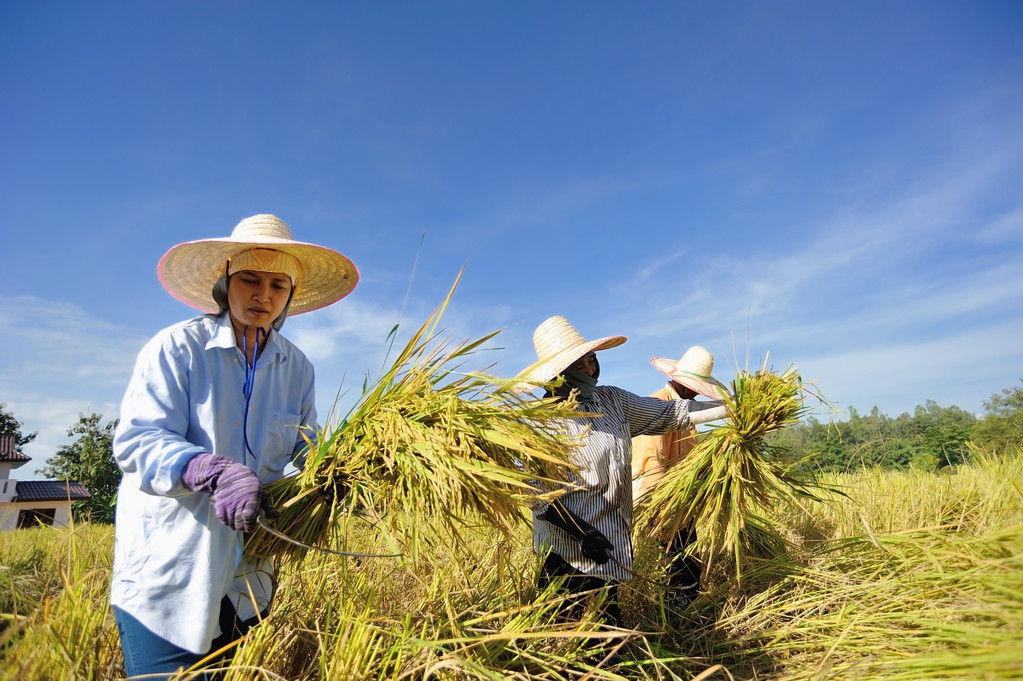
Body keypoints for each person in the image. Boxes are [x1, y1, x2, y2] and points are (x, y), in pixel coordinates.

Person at [109, 214, 359, 679]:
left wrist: (344, 479)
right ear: (226, 283)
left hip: (249, 582)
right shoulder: (177, 348)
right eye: (250, 279)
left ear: (290, 294)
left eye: (278, 285)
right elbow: (137, 440)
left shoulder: (297, 368)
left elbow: (307, 453)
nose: (263, 295)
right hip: (171, 571)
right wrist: (211, 470)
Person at [516, 316, 727, 629]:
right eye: (580, 366)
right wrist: (582, 533)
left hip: (610, 542)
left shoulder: (612, 400)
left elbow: (670, 412)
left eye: (592, 360)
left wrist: (731, 407)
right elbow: (538, 494)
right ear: (557, 374)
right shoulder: (537, 424)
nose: (590, 371)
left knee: (608, 630)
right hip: (566, 550)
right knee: (564, 633)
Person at [631, 346, 727, 611]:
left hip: (681, 505)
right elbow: (652, 462)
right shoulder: (657, 406)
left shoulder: (687, 413)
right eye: (694, 386)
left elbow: (689, 461)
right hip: (660, 503)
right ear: (681, 382)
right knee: (672, 566)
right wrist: (660, 512)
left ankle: (687, 615)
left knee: (689, 565)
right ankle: (674, 619)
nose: (697, 391)